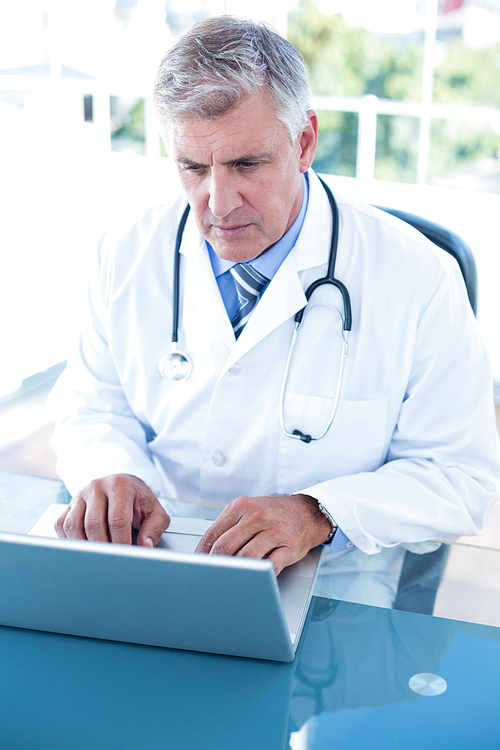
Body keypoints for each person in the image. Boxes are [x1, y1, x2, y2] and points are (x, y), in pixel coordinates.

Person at [49, 16, 500, 576]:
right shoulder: (124, 253)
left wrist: (320, 512)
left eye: (246, 164)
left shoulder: (420, 277)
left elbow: (460, 475)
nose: (218, 202)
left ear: (304, 141)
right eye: (193, 167)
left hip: (338, 591)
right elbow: (90, 407)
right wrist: (113, 472)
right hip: (157, 565)